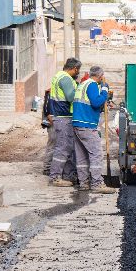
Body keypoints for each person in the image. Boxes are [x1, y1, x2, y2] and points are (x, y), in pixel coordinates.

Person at [71, 66, 115, 194]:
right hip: (87, 124)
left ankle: (84, 183)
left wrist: (103, 104)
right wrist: (105, 91)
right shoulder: (92, 85)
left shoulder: (82, 84)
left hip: (77, 123)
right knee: (96, 154)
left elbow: (89, 104)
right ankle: (97, 183)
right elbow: (95, 102)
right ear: (100, 76)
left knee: (81, 155)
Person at [48, 58, 81, 187]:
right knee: (63, 147)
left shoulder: (58, 76)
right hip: (64, 116)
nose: (77, 72)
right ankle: (55, 177)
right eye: (77, 70)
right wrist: (80, 90)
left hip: (59, 116)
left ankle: (68, 174)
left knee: (67, 147)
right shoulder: (66, 79)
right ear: (74, 69)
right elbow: (71, 97)